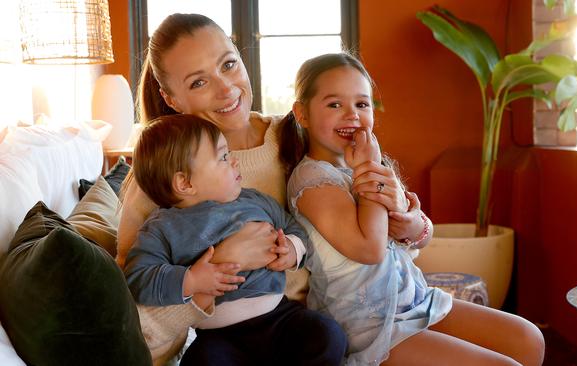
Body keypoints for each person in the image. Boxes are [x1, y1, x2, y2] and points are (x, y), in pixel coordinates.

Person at [117, 13, 423, 363]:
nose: (226, 89)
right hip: (226, 337)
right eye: (198, 83)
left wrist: (413, 222)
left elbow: (384, 232)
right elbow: (137, 315)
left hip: (326, 326)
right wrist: (220, 267)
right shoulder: (161, 180)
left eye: (228, 64)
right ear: (171, 99)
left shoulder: (298, 135)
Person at [283, 52, 546, 365]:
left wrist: (411, 224)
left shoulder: (371, 164)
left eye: (362, 104)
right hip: (368, 326)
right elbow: (370, 248)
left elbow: (422, 232)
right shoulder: (312, 179)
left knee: (528, 339)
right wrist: (369, 168)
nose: (352, 115)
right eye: (334, 104)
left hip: (416, 301)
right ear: (302, 114)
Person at [123, 114, 347, 365]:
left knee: (328, 334)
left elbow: (293, 227)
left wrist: (292, 249)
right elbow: (138, 278)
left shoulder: (253, 200)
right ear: (184, 182)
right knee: (200, 361)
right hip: (220, 335)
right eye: (223, 157)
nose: (235, 161)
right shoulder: (161, 228)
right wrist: (191, 280)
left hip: (279, 317)